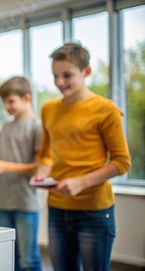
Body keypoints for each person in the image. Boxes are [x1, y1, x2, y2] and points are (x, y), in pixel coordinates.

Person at [31, 42, 131, 271]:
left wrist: (80, 182)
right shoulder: (48, 109)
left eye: (67, 75)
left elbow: (122, 162)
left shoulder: (106, 109)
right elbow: (47, 154)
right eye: (55, 75)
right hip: (57, 208)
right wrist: (42, 172)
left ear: (86, 71)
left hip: (93, 211)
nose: (59, 82)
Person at [0, 76, 43, 271]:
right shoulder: (7, 125)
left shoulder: (37, 126)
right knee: (9, 257)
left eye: (11, 101)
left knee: (29, 259)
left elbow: (38, 166)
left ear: (27, 98)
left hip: (25, 201)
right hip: (3, 199)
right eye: (4, 102)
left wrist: (4, 167)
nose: (7, 106)